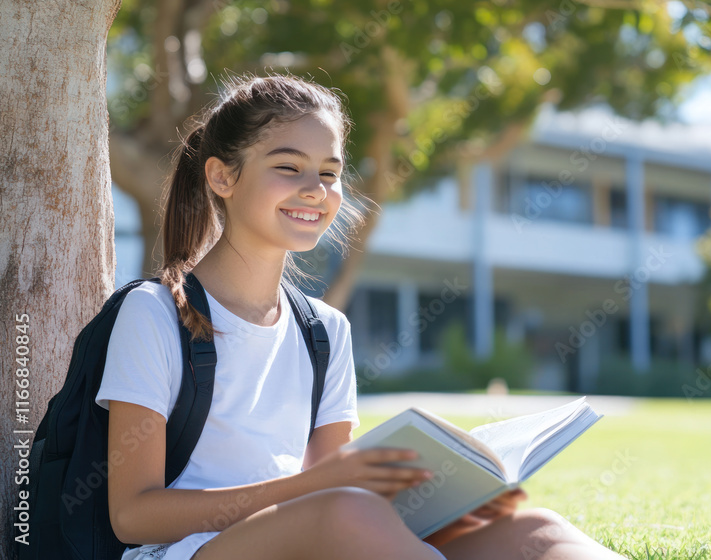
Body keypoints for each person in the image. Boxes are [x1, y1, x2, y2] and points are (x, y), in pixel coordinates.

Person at [95, 73, 625, 560]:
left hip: (317, 533)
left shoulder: (325, 330)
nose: (316, 190)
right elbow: (133, 516)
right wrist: (318, 491)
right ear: (222, 177)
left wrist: (442, 495)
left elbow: (334, 488)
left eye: (329, 173)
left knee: (536, 531)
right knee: (348, 512)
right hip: (188, 552)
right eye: (288, 167)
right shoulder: (154, 312)